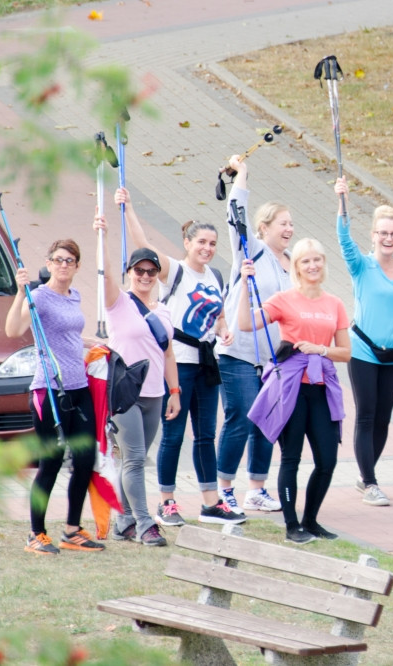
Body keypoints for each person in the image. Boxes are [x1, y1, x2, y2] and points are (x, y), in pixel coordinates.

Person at [120, 188, 245, 527]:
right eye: (201, 242)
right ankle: (167, 501)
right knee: (173, 433)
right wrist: (129, 208)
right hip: (177, 364)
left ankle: (210, 502)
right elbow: (142, 243)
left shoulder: (216, 276)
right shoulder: (174, 271)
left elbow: (216, 315)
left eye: (212, 244)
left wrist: (223, 329)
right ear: (187, 242)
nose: (207, 249)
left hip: (207, 364)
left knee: (206, 434)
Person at [240, 238, 351, 544]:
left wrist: (321, 349)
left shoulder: (335, 303)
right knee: (291, 458)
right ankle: (292, 526)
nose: (312, 266)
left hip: (322, 387)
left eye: (317, 260)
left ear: (324, 263)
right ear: (296, 267)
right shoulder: (283, 299)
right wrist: (244, 284)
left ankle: (311, 521)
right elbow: (246, 323)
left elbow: (346, 353)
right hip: (291, 387)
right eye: (305, 261)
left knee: (327, 461)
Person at [5, 239, 104, 555]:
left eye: (70, 260)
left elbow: (69, 335)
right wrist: (21, 292)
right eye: (58, 259)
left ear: (77, 266)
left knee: (86, 459)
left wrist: (96, 343)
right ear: (49, 263)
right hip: (48, 389)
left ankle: (72, 530)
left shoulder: (74, 295)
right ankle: (36, 533)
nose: (64, 265)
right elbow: (12, 329)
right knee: (51, 461)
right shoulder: (39, 298)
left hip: (79, 388)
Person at [94, 204, 180, 546]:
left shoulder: (165, 311)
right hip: (125, 392)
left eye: (151, 271)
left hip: (155, 393)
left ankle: (125, 520)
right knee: (133, 458)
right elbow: (106, 273)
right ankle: (146, 524)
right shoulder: (119, 304)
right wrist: (102, 236)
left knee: (137, 457)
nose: (145, 276)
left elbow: (168, 352)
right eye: (139, 270)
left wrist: (174, 391)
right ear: (131, 272)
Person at [335, 176, 393, 507]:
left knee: (384, 417)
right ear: (373, 236)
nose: (388, 238)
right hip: (363, 351)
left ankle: (365, 475)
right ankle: (370, 483)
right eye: (382, 232)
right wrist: (342, 201)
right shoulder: (362, 265)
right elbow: (343, 238)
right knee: (366, 415)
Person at [215, 157, 288, 514]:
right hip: (239, 352)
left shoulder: (293, 262)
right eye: (282, 224)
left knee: (266, 418)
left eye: (291, 224)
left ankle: (256, 488)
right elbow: (235, 215)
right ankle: (224, 487)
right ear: (263, 227)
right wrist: (242, 175)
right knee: (241, 415)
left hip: (274, 358)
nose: (289, 229)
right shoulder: (252, 250)